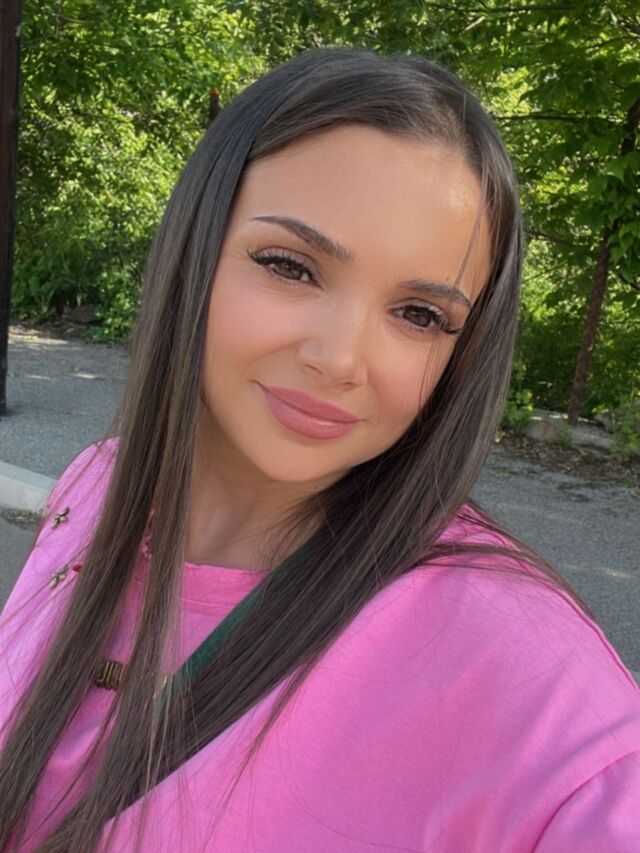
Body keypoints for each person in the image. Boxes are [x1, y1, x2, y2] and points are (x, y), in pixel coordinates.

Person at [0, 46, 638, 852]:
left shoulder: (530, 677)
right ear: (196, 245)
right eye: (291, 266)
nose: (340, 359)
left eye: (419, 315)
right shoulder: (94, 486)